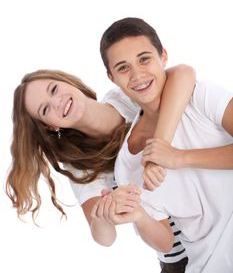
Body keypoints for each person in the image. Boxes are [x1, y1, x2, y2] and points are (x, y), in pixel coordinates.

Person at [6, 65, 195, 271]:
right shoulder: (78, 163)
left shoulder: (124, 96)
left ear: (67, 81)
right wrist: (104, 215)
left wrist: (158, 155)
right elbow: (104, 238)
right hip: (183, 258)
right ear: (51, 126)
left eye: (54, 89)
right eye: (45, 109)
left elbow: (183, 77)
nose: (57, 102)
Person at [99, 17, 233, 272]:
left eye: (144, 59)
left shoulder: (201, 96)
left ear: (163, 56)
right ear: (112, 78)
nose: (137, 74)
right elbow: (165, 241)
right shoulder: (127, 165)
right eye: (123, 67)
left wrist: (179, 157)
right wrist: (138, 215)